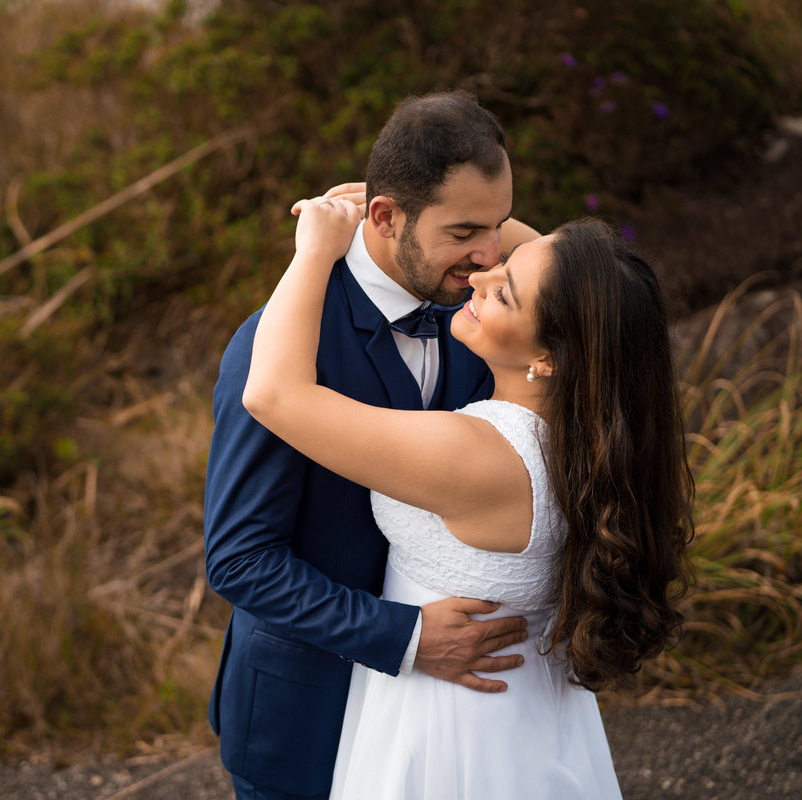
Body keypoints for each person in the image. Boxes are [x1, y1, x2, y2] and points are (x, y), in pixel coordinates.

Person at [241, 192, 694, 796]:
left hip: (448, 727)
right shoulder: (594, 435)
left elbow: (272, 396)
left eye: (504, 291)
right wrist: (406, 200)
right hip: (526, 711)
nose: (483, 272)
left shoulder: (477, 456)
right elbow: (557, 268)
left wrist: (315, 250)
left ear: (549, 358)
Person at [203, 91, 540, 800]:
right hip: (307, 714)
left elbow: (569, 274)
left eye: (500, 225)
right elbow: (239, 559)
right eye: (466, 231)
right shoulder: (275, 349)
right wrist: (408, 638)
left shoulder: (481, 311)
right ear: (384, 217)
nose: (489, 258)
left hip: (449, 720)